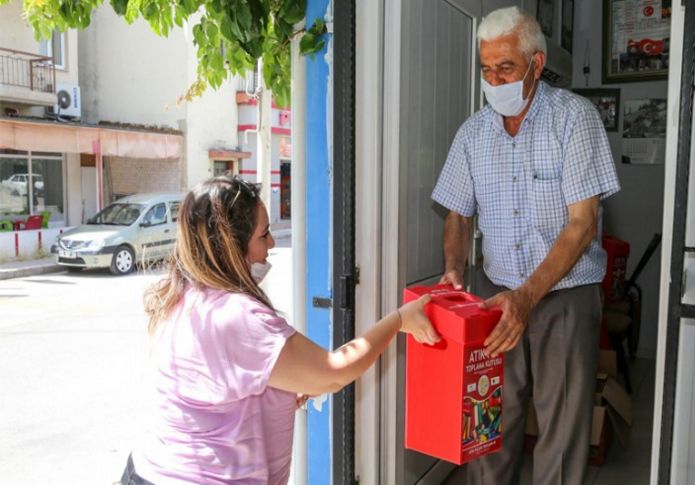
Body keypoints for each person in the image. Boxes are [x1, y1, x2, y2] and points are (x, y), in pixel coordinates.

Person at [121, 175, 439, 484]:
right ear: (231, 246)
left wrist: (286, 388)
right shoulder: (235, 315)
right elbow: (334, 372)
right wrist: (399, 319)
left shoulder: (187, 296)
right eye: (264, 234)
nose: (272, 243)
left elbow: (222, 392)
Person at [431, 7, 620, 485]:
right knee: (489, 419)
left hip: (565, 298)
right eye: (487, 70)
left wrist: (528, 297)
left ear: (536, 64)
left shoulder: (574, 120)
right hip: (496, 297)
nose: (494, 81)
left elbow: (583, 223)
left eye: (506, 68)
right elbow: (457, 211)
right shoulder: (474, 132)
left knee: (561, 427)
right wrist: (454, 267)